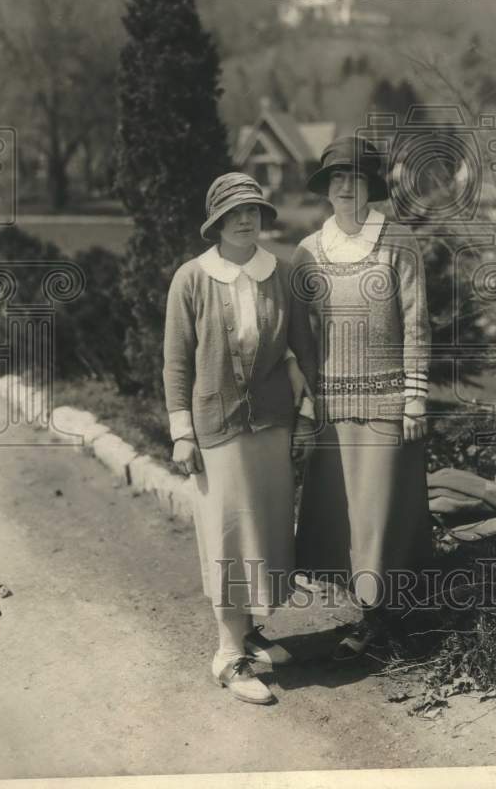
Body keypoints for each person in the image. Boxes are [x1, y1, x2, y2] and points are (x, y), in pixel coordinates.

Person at [163, 172, 316, 704]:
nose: (246, 219)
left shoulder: (281, 272)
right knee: (228, 535)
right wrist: (181, 431)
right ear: (217, 223)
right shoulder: (191, 278)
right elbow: (177, 361)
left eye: (253, 210)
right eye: (234, 213)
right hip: (216, 428)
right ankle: (227, 655)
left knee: (267, 530)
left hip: (271, 424)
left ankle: (249, 632)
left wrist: (306, 410)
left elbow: (300, 349)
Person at [291, 136, 433, 661]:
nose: (345, 187)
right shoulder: (308, 251)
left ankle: (388, 623)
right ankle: (368, 616)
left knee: (382, 517)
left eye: (354, 178)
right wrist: (310, 399)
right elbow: (303, 335)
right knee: (343, 517)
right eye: (336, 179)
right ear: (326, 188)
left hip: (387, 403)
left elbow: (418, 323)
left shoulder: (398, 242)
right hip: (333, 406)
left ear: (370, 186)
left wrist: (415, 398)